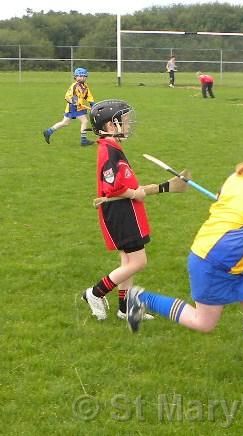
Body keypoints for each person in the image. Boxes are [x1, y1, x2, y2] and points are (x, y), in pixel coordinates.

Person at [126, 130, 243, 381]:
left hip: (234, 259)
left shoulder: (239, 175)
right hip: (213, 261)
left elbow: (226, 202)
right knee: (204, 323)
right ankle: (141, 298)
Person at [82, 99, 154, 322]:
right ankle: (95, 292)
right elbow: (112, 186)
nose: (128, 124)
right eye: (124, 120)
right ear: (110, 126)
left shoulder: (112, 147)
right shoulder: (108, 150)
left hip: (124, 210)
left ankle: (125, 308)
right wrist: (135, 193)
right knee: (138, 262)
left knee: (128, 262)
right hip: (121, 211)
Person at [43, 67, 96, 146]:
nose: (82, 78)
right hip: (73, 107)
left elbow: (88, 96)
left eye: (84, 76)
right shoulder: (74, 86)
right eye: (80, 76)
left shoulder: (85, 86)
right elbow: (67, 96)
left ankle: (48, 131)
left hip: (79, 107)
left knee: (65, 122)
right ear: (76, 77)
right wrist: (73, 101)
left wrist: (92, 104)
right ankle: (83, 140)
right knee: (84, 121)